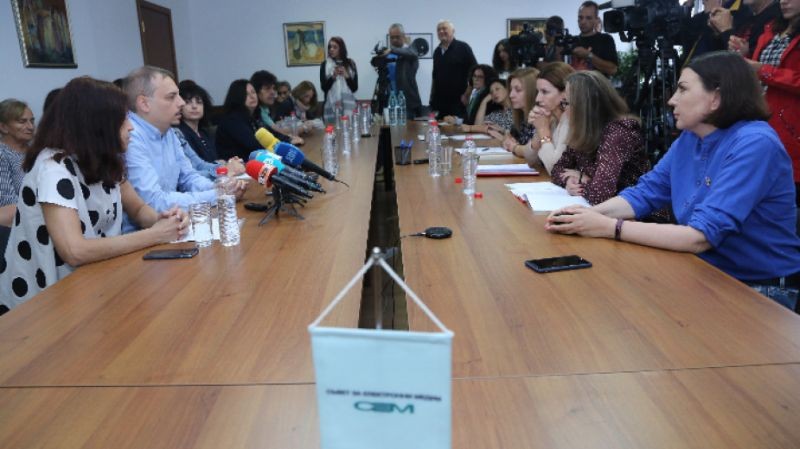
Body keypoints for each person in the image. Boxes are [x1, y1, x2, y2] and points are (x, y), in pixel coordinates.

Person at [545, 51, 800, 310]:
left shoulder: (755, 143)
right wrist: (584, 216)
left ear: (716, 98)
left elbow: (700, 237)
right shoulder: (691, 137)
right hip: (706, 271)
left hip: (759, 289)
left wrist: (608, 226)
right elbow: (645, 193)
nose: (671, 99)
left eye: (683, 89)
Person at [0, 77, 189, 310]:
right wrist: (155, 235)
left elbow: (139, 209)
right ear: (98, 125)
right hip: (45, 301)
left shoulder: (103, 159)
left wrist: (163, 219)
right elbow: (74, 250)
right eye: (123, 120)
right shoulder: (53, 169)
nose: (131, 127)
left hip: (94, 283)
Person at [123, 66, 244, 233]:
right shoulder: (130, 137)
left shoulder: (168, 132)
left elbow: (188, 177)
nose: (181, 103)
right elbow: (153, 202)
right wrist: (217, 195)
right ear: (144, 103)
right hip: (142, 234)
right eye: (171, 97)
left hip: (174, 224)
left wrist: (223, 188)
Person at [550, 71, 648, 204]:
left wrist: (581, 179)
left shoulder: (619, 133)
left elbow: (600, 195)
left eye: (566, 103)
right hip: (603, 210)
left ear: (583, 107)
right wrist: (568, 180)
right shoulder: (583, 130)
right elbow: (557, 168)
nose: (563, 109)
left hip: (635, 211)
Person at [744, 0, 800, 211]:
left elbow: (766, 70)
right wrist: (745, 55)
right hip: (761, 118)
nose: (784, 1)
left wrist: (763, 70)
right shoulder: (773, 28)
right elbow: (759, 69)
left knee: (786, 197)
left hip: (790, 126)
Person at [175, 80, 244, 180]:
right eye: (188, 102)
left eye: (199, 102)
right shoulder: (179, 133)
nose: (194, 106)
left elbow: (210, 161)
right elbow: (195, 167)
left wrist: (227, 163)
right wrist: (224, 166)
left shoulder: (204, 133)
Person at [523, 62, 575, 174]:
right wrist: (538, 133)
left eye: (544, 92)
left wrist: (543, 131)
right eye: (538, 92)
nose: (537, 99)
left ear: (565, 93)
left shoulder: (570, 120)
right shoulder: (552, 118)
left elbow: (555, 169)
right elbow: (530, 161)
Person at [371, 23, 423, 118]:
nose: (394, 40)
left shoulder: (410, 52)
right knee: (389, 126)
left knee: (407, 127)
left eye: (397, 37)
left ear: (403, 36)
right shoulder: (387, 54)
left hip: (407, 101)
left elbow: (413, 53)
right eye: (392, 37)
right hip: (389, 99)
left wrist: (392, 50)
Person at [430, 20, 478, 118]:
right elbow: (435, 76)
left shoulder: (463, 48)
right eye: (439, 29)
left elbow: (475, 72)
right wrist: (431, 97)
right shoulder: (437, 51)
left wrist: (467, 94)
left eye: (444, 28)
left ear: (453, 31)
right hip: (439, 102)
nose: (441, 31)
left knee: (457, 127)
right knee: (439, 126)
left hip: (458, 101)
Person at [0, 99, 34, 228]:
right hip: (14, 228)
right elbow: (6, 201)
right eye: (22, 121)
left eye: (32, 121)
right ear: (3, 127)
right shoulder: (2, 154)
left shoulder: (37, 151)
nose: (31, 127)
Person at [216, 79, 269, 161]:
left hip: (253, 161)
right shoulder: (233, 120)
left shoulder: (253, 116)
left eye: (253, 92)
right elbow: (254, 145)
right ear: (237, 97)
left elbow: (270, 134)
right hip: (236, 164)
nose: (252, 96)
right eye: (246, 94)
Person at [250, 70, 303, 144]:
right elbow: (273, 132)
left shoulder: (266, 108)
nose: (273, 92)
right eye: (267, 88)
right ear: (256, 91)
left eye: (273, 88)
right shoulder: (254, 112)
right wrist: (289, 139)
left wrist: (289, 139)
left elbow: (273, 133)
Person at [498, 68, 539, 158]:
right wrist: (507, 139)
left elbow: (534, 152)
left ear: (532, 92)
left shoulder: (540, 117)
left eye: (518, 90)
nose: (511, 95)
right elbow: (509, 136)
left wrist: (514, 147)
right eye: (511, 90)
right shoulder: (521, 117)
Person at [570, 1, 619, 76]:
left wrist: (589, 55)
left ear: (596, 20)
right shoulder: (572, 41)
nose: (583, 22)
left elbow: (613, 70)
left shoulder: (605, 39)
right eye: (580, 17)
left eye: (588, 18)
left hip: (598, 83)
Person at [320, 36, 358, 123]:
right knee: (332, 129)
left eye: (335, 47)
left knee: (348, 128)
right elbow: (324, 88)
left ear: (341, 48)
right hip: (330, 105)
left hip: (348, 105)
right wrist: (333, 77)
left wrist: (347, 76)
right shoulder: (324, 65)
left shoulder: (351, 64)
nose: (331, 49)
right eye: (330, 47)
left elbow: (354, 88)